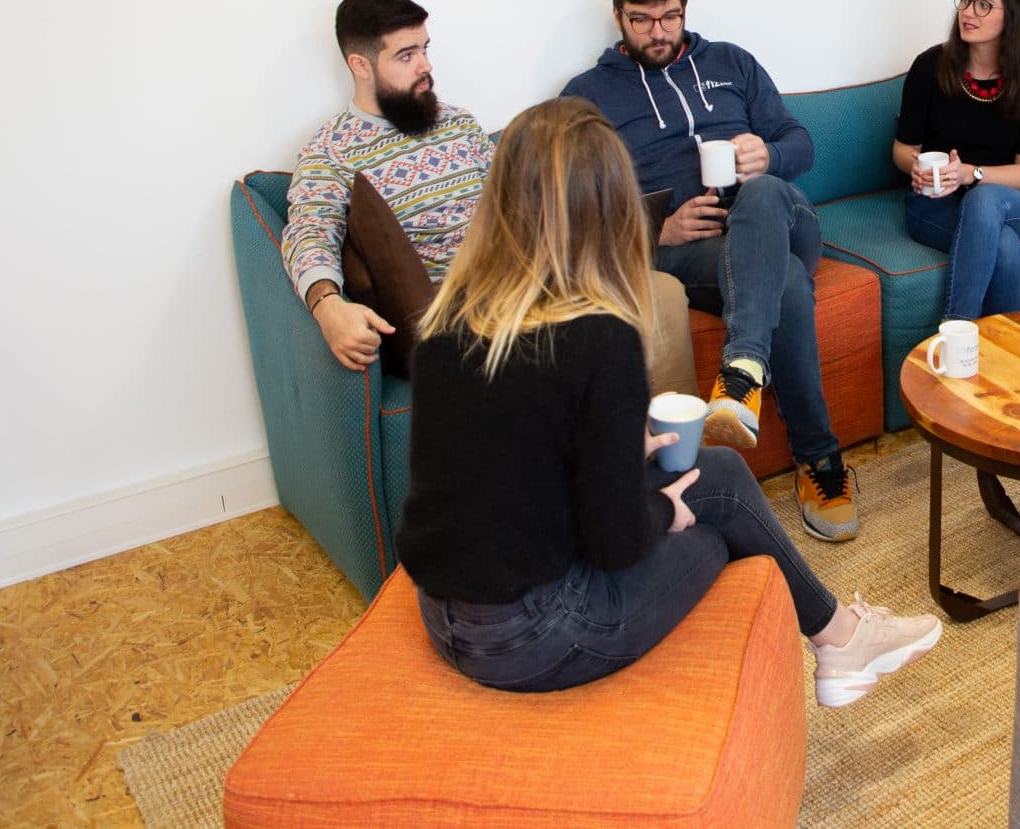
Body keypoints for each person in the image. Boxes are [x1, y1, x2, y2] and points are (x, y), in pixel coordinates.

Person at [398, 98, 940, 705]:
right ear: (607, 207)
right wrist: (664, 514)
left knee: (724, 473)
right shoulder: (596, 336)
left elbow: (506, 461)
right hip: (538, 634)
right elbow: (615, 538)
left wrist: (621, 446)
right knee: (721, 535)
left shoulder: (448, 323)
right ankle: (841, 642)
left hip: (444, 612)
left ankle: (840, 637)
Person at [563, 0, 858, 543]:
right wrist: (655, 231)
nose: (659, 33)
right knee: (790, 287)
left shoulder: (731, 62)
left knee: (767, 193)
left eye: (670, 18)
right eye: (643, 20)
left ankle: (740, 367)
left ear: (684, 10)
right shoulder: (586, 97)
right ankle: (819, 461)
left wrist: (767, 156)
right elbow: (576, 209)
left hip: (782, 218)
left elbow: (800, 141)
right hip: (690, 250)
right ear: (617, 16)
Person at [282, 0, 492, 371]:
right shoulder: (332, 151)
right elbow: (309, 232)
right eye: (406, 55)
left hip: (517, 286)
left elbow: (517, 197)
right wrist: (328, 307)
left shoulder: (458, 123)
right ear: (360, 65)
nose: (425, 66)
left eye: (425, 49)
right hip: (456, 321)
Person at [891, 0, 1020, 321]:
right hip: (934, 205)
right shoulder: (929, 66)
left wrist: (969, 174)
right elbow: (903, 150)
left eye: (983, 5)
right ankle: (1004, 356)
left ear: (1012, 17)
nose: (967, 12)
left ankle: (954, 334)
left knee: (984, 199)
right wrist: (917, 167)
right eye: (965, 0)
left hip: (1011, 203)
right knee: (1004, 247)